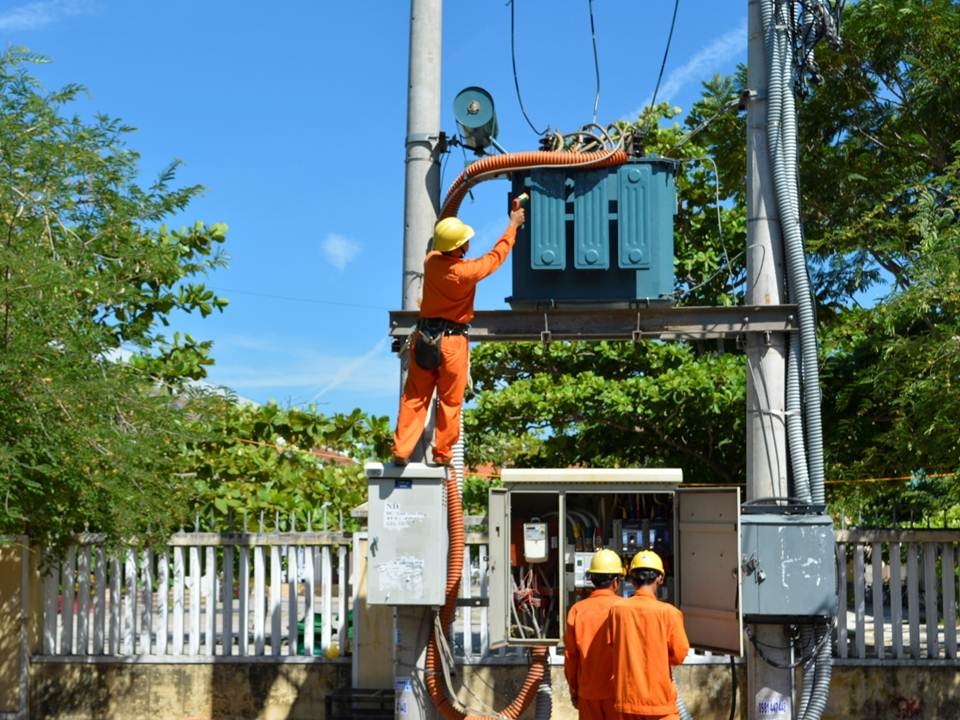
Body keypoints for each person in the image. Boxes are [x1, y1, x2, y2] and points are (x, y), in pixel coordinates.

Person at [391, 205, 525, 465]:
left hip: (425, 336)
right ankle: (442, 455)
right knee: (450, 402)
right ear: (459, 246)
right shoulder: (466, 272)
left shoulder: (430, 262)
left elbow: (438, 248)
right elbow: (496, 256)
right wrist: (513, 225)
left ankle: (401, 451)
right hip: (453, 342)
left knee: (415, 398)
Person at [608, 550, 689, 720]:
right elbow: (679, 655)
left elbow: (613, 647)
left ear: (632, 579)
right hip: (660, 705)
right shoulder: (670, 613)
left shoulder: (617, 611)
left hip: (627, 703)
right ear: (660, 578)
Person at [564, 548, 627, 719]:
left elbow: (571, 656)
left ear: (592, 579)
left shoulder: (578, 610)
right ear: (616, 581)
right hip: (618, 693)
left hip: (588, 692)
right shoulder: (626, 609)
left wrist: (574, 690)